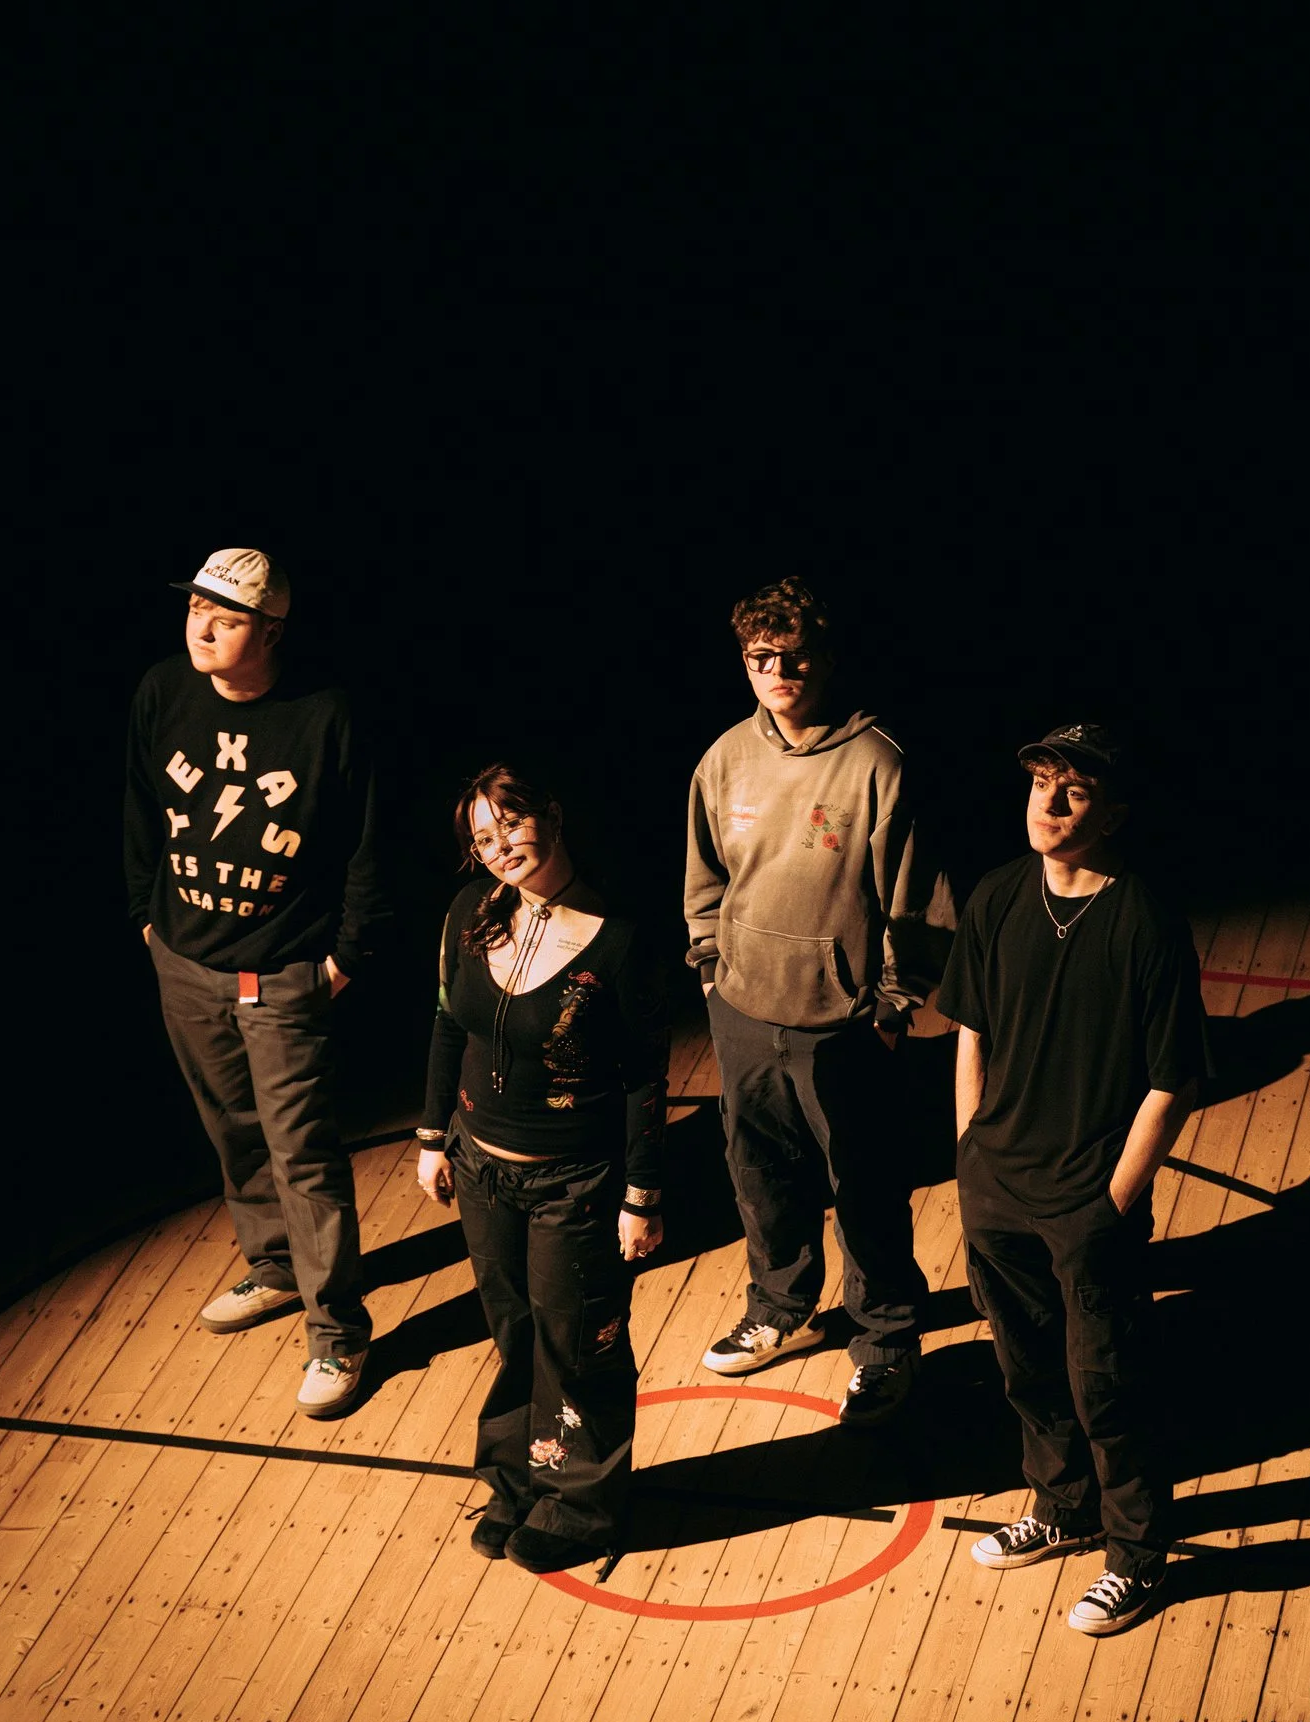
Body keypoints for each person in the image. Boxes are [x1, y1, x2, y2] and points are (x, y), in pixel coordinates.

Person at [937, 723, 1206, 1636]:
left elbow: (1173, 1079)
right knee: (1025, 1369)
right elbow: (970, 1023)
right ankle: (1059, 1507)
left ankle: (1136, 1556)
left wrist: (1112, 1204)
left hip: (1086, 1200)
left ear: (1113, 813)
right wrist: (970, 1149)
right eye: (1041, 783)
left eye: (1074, 792)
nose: (1047, 805)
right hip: (997, 1184)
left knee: (1109, 1383)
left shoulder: (1145, 921)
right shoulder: (998, 897)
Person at [684, 575, 951, 1428]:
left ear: (826, 659)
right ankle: (780, 1306)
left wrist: (891, 1006)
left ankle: (885, 1339)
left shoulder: (877, 763)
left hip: (841, 1024)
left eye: (795, 655)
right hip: (742, 1012)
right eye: (762, 657)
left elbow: (915, 905)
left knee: (866, 1185)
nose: (779, 670)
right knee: (759, 1172)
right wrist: (710, 970)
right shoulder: (725, 757)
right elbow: (705, 879)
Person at [125, 545, 383, 1417]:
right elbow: (136, 809)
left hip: (279, 972)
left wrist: (346, 957)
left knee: (302, 1154)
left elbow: (365, 845)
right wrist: (148, 920)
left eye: (225, 617)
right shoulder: (164, 690)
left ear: (270, 631)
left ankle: (339, 1333)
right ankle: (273, 1267)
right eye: (195, 607)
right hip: (186, 961)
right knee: (232, 1132)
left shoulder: (325, 716)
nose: (201, 627)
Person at [417, 764, 668, 1573]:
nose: (499, 850)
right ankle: (516, 1479)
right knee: (514, 1331)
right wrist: (431, 1137)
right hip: (482, 1167)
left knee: (577, 1343)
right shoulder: (468, 915)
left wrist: (641, 1194)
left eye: (512, 827)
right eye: (482, 840)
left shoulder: (620, 938)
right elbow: (448, 1028)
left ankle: (582, 1506)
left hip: (574, 1182)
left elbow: (644, 1079)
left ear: (552, 818)